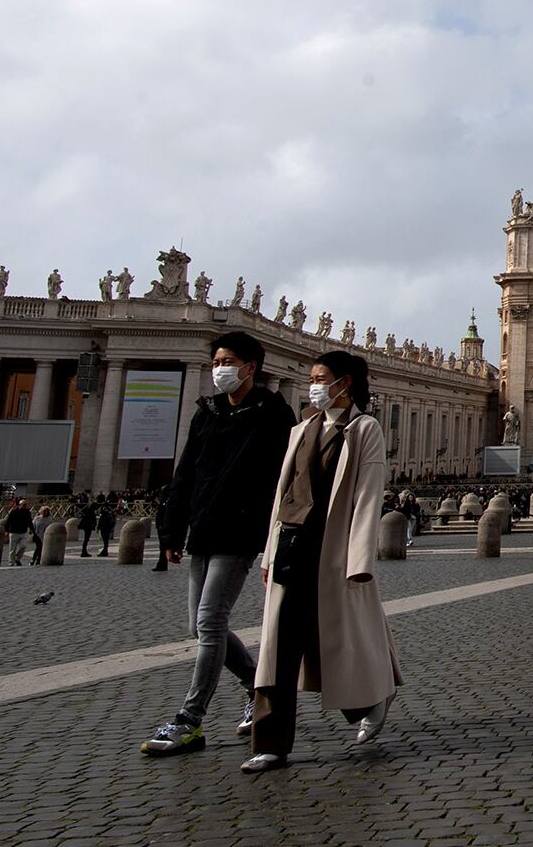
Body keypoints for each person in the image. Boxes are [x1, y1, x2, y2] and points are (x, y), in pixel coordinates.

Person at [243, 351, 401, 773]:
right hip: (291, 547)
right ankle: (270, 743)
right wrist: (269, 552)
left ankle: (370, 699)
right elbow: (284, 495)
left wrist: (360, 558)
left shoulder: (364, 429)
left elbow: (368, 495)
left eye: (320, 378)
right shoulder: (301, 429)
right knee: (278, 647)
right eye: (311, 378)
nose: (313, 385)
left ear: (344, 383)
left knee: (334, 639)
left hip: (332, 551)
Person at [142, 331, 297, 757]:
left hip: (240, 529)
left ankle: (189, 720)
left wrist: (274, 533)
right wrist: (171, 531)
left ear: (250, 367)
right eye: (215, 362)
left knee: (210, 621)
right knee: (199, 626)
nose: (219, 369)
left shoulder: (274, 414)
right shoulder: (206, 412)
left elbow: (284, 479)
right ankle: (256, 688)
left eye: (227, 362)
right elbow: (185, 472)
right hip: (204, 527)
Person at [4, 499, 34, 565]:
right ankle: (11, 562)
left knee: (23, 546)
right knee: (12, 549)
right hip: (14, 532)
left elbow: (30, 521)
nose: (25, 506)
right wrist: (6, 530)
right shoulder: (14, 511)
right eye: (24, 505)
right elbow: (8, 521)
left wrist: (31, 529)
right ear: (19, 505)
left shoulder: (27, 512)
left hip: (23, 532)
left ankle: (17, 558)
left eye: (26, 505)